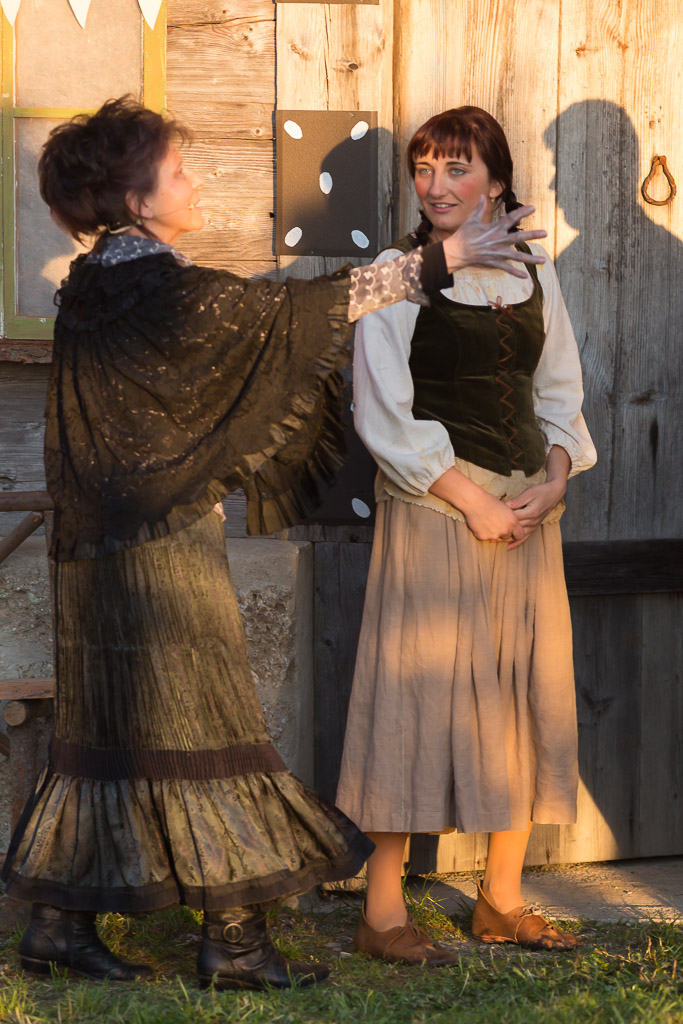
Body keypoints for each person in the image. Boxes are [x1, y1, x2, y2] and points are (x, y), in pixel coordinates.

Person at [1, 98, 546, 990]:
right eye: (179, 172)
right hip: (159, 550)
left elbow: (235, 344)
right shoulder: (160, 289)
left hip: (90, 552)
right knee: (211, 723)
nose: (196, 182)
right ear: (137, 201)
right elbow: (285, 316)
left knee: (107, 731)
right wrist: (439, 261)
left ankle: (58, 925)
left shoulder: (95, 285)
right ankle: (237, 944)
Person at [336, 106, 597, 964]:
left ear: (495, 180)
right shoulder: (397, 275)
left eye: (456, 168)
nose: (436, 185)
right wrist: (470, 499)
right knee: (414, 700)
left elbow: (557, 393)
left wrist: (553, 481)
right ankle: (381, 912)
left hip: (526, 517)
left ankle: (501, 899)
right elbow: (383, 413)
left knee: (523, 694)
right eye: (424, 169)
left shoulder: (532, 270)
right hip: (438, 512)